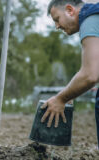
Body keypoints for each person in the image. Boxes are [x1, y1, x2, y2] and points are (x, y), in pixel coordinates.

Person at [42, 0, 99, 147]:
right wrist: (72, 92)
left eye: (57, 19)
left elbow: (90, 74)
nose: (57, 26)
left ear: (69, 10)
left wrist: (60, 99)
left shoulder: (90, 19)